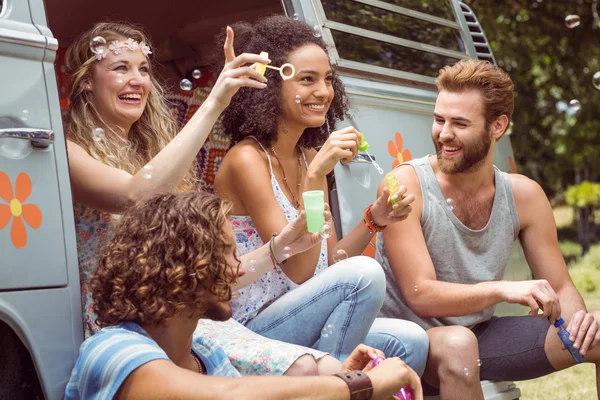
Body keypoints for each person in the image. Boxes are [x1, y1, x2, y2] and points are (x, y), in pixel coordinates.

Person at [64, 21, 341, 377]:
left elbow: (211, 277)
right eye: (121, 68)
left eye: (144, 70)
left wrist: (280, 247)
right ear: (86, 80)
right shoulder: (68, 152)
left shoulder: (159, 157)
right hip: (130, 325)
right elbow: (133, 195)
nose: (138, 80)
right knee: (306, 370)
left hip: (183, 316)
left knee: (330, 367)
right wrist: (217, 99)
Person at [212, 15, 429, 375]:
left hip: (299, 310)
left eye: (328, 79)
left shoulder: (306, 156)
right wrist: (315, 178)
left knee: (411, 340)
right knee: (365, 272)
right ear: (268, 87)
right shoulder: (246, 160)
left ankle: (335, 377)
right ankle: (329, 388)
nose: (324, 92)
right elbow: (297, 269)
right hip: (253, 327)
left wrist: (375, 219)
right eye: (307, 80)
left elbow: (325, 263)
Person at [375, 58, 600, 399]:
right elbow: (421, 294)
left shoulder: (524, 195)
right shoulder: (405, 186)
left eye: (460, 123)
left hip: (480, 334)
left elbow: (559, 285)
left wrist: (580, 322)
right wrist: (501, 290)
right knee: (459, 345)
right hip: (411, 340)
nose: (444, 133)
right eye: (439, 120)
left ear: (497, 126)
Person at [64, 191, 423, 400]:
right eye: (227, 253)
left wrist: (337, 379)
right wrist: (358, 385)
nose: (238, 270)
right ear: (180, 264)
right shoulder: (111, 349)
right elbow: (230, 397)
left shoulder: (205, 355)